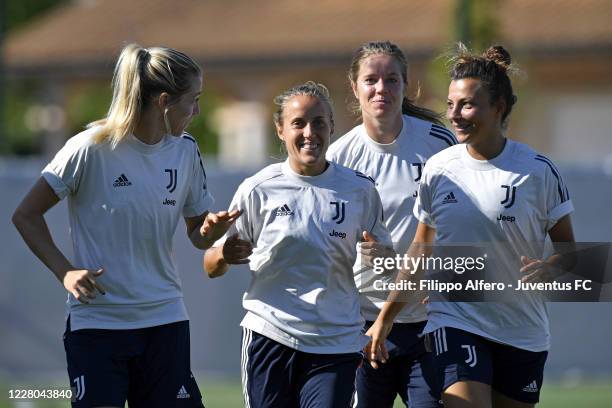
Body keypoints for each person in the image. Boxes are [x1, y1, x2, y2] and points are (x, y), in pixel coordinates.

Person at [12, 43, 240, 408]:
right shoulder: (89, 148)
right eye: (193, 100)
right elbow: (25, 215)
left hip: (165, 320)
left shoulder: (185, 150)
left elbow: (197, 234)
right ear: (164, 102)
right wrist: (66, 273)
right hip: (97, 324)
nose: (197, 110)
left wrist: (210, 231)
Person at [366, 44, 575, 408]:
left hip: (522, 331)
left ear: (500, 107)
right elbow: (420, 250)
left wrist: (553, 269)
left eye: (467, 105)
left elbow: (570, 254)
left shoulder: (539, 171)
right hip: (456, 320)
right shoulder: (438, 169)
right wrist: (385, 318)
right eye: (450, 105)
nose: (455, 115)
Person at [203, 81, 392, 408]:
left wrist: (379, 257)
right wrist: (223, 253)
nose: (309, 132)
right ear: (280, 130)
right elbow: (211, 265)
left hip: (335, 341)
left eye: (318, 122)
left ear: (331, 126)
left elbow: (385, 261)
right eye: (298, 123)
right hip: (270, 335)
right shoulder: (259, 189)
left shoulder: (359, 190)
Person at [326, 40, 456, 408]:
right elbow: (330, 238)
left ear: (405, 85)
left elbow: (460, 220)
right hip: (364, 324)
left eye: (391, 79)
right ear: (355, 87)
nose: (381, 88)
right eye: (371, 80)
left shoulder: (437, 143)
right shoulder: (339, 156)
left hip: (429, 320)